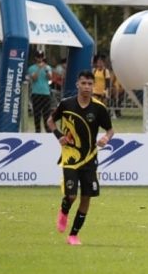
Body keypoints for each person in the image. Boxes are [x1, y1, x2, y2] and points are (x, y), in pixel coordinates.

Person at [46, 70, 115, 246]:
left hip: (90, 158)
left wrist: (106, 138)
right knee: (71, 195)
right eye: (83, 83)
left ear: (93, 86)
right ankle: (64, 211)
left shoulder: (99, 108)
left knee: (86, 197)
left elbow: (110, 130)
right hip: (70, 156)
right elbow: (50, 121)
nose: (86, 87)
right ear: (77, 84)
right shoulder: (66, 104)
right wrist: (58, 135)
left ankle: (73, 235)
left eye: (90, 84)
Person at [28, 51, 53, 132]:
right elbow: (34, 78)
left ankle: (48, 131)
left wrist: (45, 69)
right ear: (36, 58)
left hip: (46, 93)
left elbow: (50, 78)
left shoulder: (48, 67)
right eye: (38, 57)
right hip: (36, 93)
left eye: (41, 57)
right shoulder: (31, 68)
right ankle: (38, 131)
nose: (40, 58)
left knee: (47, 114)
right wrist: (39, 68)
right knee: (37, 114)